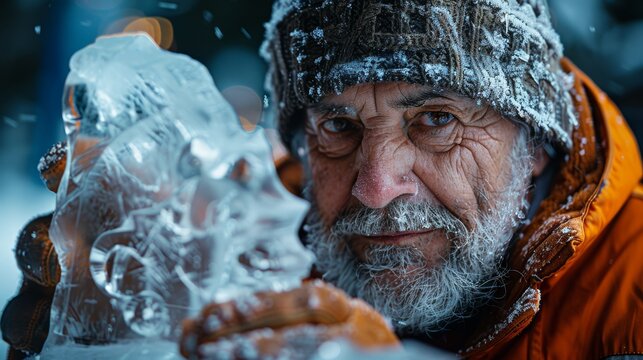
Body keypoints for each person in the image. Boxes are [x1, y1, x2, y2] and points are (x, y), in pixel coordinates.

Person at [3, 0, 643, 359]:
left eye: (436, 119)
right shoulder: (241, 251)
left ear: (534, 143)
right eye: (338, 127)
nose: (375, 187)